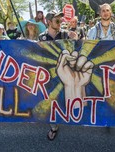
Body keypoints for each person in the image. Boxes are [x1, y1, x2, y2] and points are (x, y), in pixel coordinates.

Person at [38, 10, 78, 141]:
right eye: (57, 20)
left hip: (65, 74)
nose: (60, 22)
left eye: (61, 20)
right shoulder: (42, 37)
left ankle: (69, 118)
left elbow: (77, 49)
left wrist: (76, 39)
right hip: (49, 75)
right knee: (51, 101)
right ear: (49, 22)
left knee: (66, 99)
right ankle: (54, 126)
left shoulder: (66, 34)